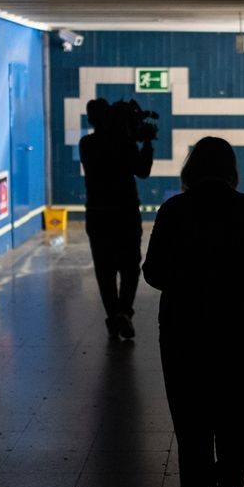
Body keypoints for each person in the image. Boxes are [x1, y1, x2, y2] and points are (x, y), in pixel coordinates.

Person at [142, 136, 244, 487]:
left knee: (191, 415)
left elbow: (153, 274)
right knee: (238, 414)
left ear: (191, 169)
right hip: (238, 327)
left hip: (184, 329)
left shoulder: (173, 210)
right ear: (231, 169)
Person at [79, 98, 154, 339]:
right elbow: (142, 170)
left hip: (98, 215)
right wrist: (147, 143)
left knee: (105, 270)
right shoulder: (124, 143)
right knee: (130, 267)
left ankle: (114, 316)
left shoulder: (87, 144)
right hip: (125, 215)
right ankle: (124, 312)